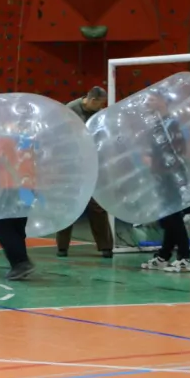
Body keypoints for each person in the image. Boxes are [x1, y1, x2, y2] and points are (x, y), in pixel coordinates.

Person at [55, 86, 115, 258]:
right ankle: (62, 247)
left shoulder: (99, 114)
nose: (101, 107)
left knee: (97, 206)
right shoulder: (69, 111)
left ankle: (106, 247)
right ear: (92, 100)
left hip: (92, 163)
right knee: (68, 205)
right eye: (100, 103)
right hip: (71, 165)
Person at [139, 91, 190, 272]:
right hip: (161, 174)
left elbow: (178, 150)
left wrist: (160, 163)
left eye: (153, 100)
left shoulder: (172, 124)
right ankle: (164, 255)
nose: (148, 103)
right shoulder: (156, 124)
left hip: (171, 175)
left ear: (163, 102)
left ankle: (185, 258)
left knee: (173, 217)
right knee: (168, 216)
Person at [0, 111, 39, 280]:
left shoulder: (1, 139)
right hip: (28, 186)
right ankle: (20, 263)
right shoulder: (28, 138)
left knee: (3, 225)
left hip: (10, 186)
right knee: (18, 225)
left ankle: (20, 263)